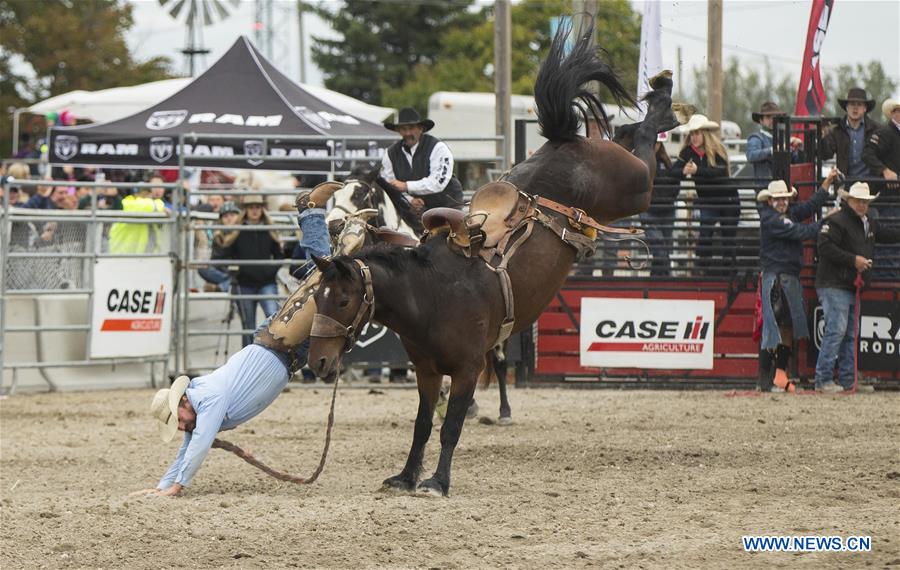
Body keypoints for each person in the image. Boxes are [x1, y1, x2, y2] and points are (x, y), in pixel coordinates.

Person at [133, 193, 336, 497]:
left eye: (178, 421)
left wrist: (176, 486)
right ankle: (339, 234)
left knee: (325, 282)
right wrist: (162, 486)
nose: (181, 428)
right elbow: (189, 446)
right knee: (329, 290)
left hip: (281, 344)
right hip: (282, 349)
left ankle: (312, 214)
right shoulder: (201, 403)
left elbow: (199, 444)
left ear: (184, 403)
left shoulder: (207, 399)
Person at [756, 171, 838, 392]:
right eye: (778, 199)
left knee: (785, 326)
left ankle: (777, 376)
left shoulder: (783, 215)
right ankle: (765, 380)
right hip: (777, 277)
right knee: (774, 328)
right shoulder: (772, 219)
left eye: (784, 198)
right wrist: (826, 219)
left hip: (785, 277)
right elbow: (804, 231)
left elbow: (810, 206)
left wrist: (826, 183)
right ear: (770, 201)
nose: (783, 202)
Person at [814, 182, 900, 392]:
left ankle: (846, 380)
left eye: (865, 202)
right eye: (859, 201)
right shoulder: (837, 221)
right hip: (835, 283)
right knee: (838, 331)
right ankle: (824, 379)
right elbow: (824, 247)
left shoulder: (866, 222)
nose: (862, 205)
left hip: (846, 284)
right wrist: (853, 260)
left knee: (848, 333)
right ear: (850, 201)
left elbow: (888, 234)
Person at [213, 194, 283, 347]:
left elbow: (279, 255)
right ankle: (248, 356)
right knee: (248, 326)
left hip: (266, 282)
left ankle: (274, 354)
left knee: (274, 320)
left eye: (258, 207)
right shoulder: (237, 231)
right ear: (246, 210)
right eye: (251, 207)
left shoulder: (269, 230)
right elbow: (223, 255)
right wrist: (233, 271)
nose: (254, 210)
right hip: (244, 283)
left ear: (262, 209)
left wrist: (269, 271)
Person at [668, 114, 733, 275]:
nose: (694, 137)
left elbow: (721, 171)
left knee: (728, 236)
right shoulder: (688, 152)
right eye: (692, 133)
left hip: (728, 199)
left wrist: (698, 170)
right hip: (707, 200)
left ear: (704, 133)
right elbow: (673, 171)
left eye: (697, 133)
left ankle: (729, 272)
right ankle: (703, 270)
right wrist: (683, 171)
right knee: (705, 232)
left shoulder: (717, 149)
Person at [380, 107, 463, 214]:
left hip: (447, 204)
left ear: (421, 129)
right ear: (398, 131)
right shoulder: (390, 153)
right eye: (403, 129)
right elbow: (389, 185)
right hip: (413, 209)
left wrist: (406, 186)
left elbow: (437, 183)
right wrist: (409, 200)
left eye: (411, 128)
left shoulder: (438, 148)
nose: (407, 133)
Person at [862, 98, 900, 280]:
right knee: (890, 236)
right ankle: (888, 277)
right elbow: (867, 153)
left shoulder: (889, 133)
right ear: (893, 113)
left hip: (893, 197)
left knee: (893, 235)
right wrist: (884, 171)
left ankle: (890, 275)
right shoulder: (885, 133)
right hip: (887, 196)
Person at [820, 87, 880, 180]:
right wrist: (822, 134)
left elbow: (886, 154)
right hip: (846, 183)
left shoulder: (876, 130)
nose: (855, 108)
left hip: (871, 183)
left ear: (865, 108)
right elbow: (826, 155)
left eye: (859, 104)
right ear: (847, 107)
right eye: (852, 104)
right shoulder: (837, 130)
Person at [639, 138, 677, 276]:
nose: (654, 145)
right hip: (650, 211)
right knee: (660, 248)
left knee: (662, 248)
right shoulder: (642, 162)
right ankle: (666, 276)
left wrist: (670, 198)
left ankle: (656, 277)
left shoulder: (667, 163)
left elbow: (676, 184)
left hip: (666, 209)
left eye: (657, 142)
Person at [746, 101, 803, 181]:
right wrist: (773, 150)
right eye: (768, 117)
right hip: (765, 187)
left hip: (784, 186)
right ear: (761, 120)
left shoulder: (783, 138)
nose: (772, 120)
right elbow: (751, 155)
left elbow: (796, 160)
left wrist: (800, 147)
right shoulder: (756, 138)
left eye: (775, 117)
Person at [198, 201, 241, 293]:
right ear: (221, 220)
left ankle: (220, 287)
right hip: (223, 271)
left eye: (232, 215)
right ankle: (228, 283)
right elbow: (215, 259)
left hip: (240, 270)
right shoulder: (217, 235)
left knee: (243, 277)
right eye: (225, 216)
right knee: (202, 269)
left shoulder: (243, 232)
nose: (229, 218)